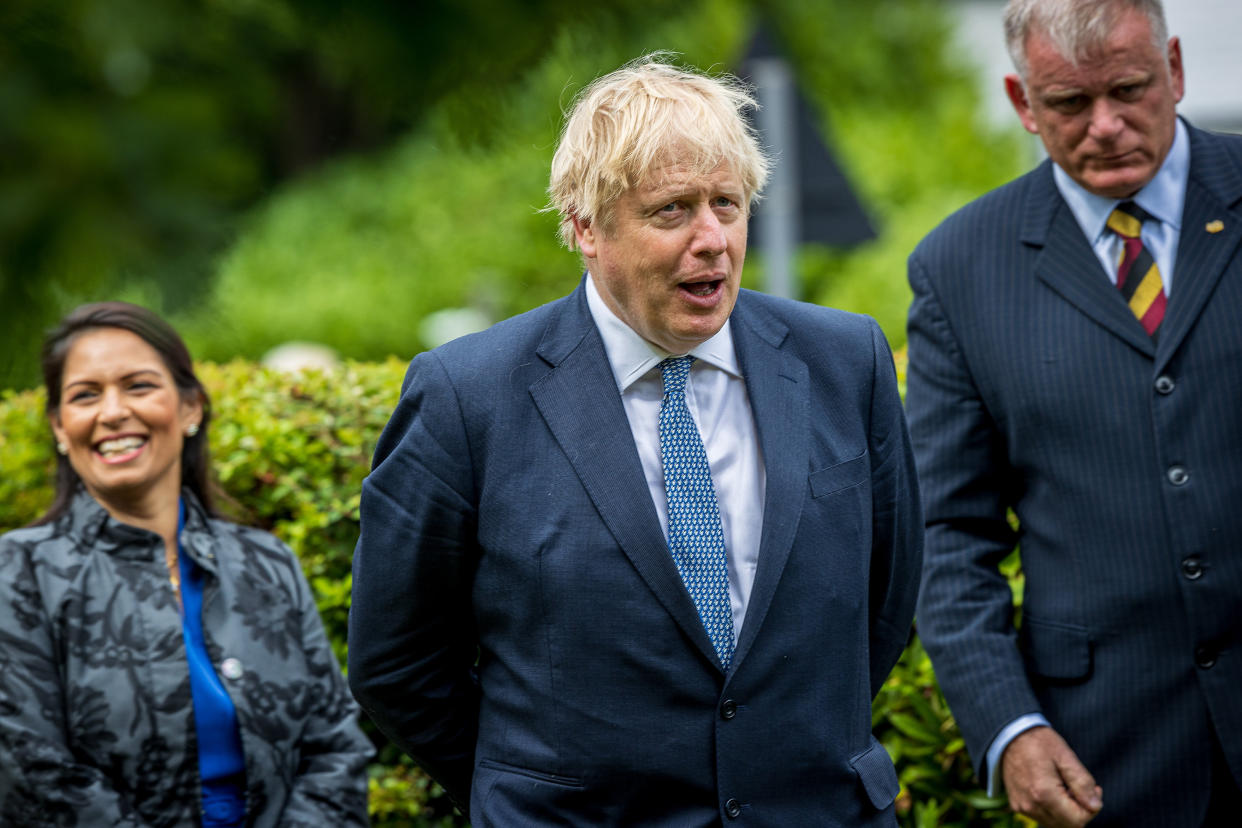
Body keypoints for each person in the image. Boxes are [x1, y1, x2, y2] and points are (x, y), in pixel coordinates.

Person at [349, 55, 922, 825]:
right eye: (672, 210)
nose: (713, 238)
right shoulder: (468, 396)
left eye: (728, 202)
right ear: (585, 226)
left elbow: (884, 601)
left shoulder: (844, 360)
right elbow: (397, 661)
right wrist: (528, 793)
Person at [906, 1, 1242, 825]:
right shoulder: (959, 269)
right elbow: (946, 535)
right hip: (1110, 761)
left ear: (1175, 68)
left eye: (1129, 89)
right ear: (1023, 102)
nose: (1105, 125)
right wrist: (1008, 727)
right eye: (1067, 104)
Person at [0, 302, 372, 826]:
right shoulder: (18, 572)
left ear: (191, 407)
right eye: (85, 395)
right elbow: (35, 776)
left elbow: (335, 747)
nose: (112, 412)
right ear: (60, 428)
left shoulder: (266, 563)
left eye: (139, 385)